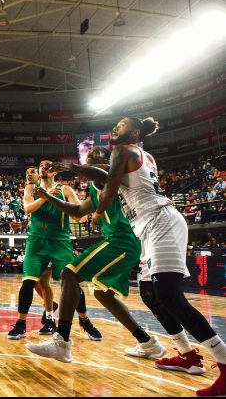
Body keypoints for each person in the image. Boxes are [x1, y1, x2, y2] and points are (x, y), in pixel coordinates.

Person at [66, 117, 226, 396]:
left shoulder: (123, 151)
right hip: (149, 227)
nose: (115, 128)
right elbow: (107, 177)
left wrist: (97, 207)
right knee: (150, 293)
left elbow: (108, 191)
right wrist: (77, 170)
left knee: (169, 295)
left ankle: (224, 361)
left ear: (134, 133)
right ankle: (187, 355)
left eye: (121, 125)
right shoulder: (139, 154)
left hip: (160, 222)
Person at [26, 146, 165, 362]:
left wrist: (69, 167)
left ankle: (61, 342)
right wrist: (47, 196)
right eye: (88, 157)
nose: (90, 160)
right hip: (118, 241)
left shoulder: (109, 176)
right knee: (102, 293)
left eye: (94, 157)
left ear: (108, 160)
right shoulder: (95, 185)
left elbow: (101, 175)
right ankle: (147, 342)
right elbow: (78, 211)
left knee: (69, 274)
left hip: (123, 239)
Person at [8, 162, 101, 341]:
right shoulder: (31, 188)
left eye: (47, 165)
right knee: (28, 282)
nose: (43, 167)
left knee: (72, 283)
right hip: (36, 242)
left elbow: (78, 214)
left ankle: (84, 320)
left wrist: (84, 211)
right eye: (41, 165)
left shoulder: (65, 190)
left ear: (54, 171)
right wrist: (45, 197)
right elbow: (28, 208)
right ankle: (21, 324)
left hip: (60, 242)